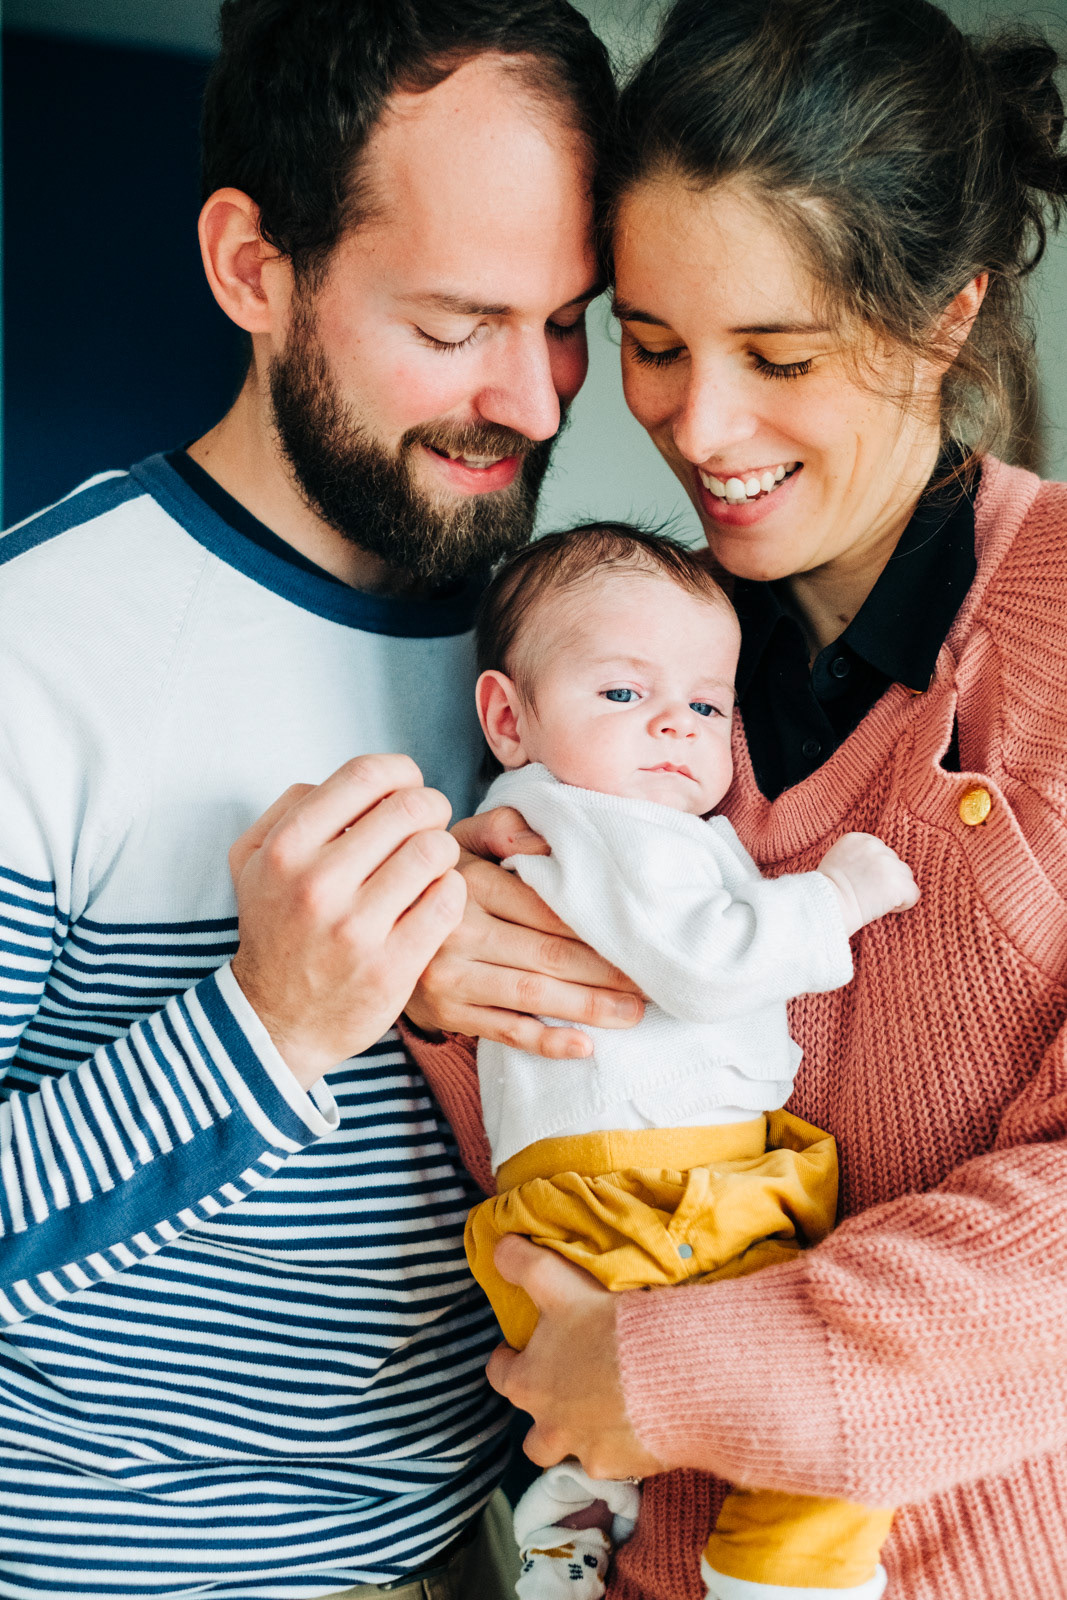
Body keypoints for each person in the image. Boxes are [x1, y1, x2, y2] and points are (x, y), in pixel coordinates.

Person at [403, 1, 1067, 1596]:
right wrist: (452, 979)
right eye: (648, 343)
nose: (694, 429)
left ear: (944, 318)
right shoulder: (610, 660)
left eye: (777, 355)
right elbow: (559, 1134)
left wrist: (687, 1374)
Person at [0, 3, 623, 1596]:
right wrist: (262, 1023)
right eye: (455, 322)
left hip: (474, 1554)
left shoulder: (565, 653)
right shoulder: (34, 657)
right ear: (252, 270)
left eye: (565, 321)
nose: (540, 402)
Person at [460, 522, 917, 1600]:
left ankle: (578, 1503)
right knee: (838, 1421)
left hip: (601, 1205)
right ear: (507, 717)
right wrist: (837, 896)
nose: (673, 723)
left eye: (706, 705)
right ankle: (773, 1582)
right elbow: (710, 965)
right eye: (622, 695)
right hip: (651, 1200)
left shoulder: (560, 819)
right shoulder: (608, 825)